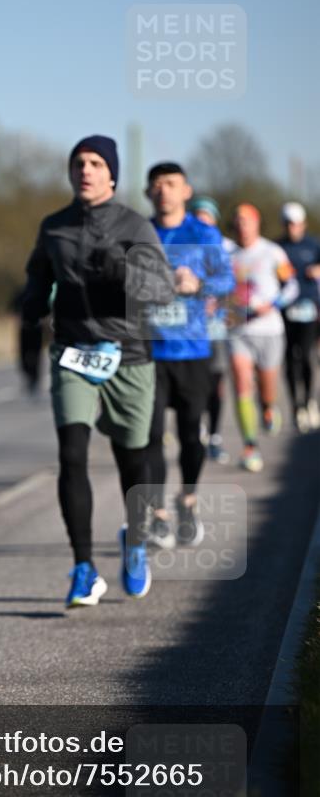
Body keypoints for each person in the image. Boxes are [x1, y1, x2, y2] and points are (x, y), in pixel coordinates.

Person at [21, 135, 176, 606]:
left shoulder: (135, 226)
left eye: (94, 163)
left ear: (112, 173)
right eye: (78, 163)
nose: (85, 170)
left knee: (135, 462)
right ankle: (84, 567)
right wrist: (29, 305)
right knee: (72, 454)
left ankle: (135, 539)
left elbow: (163, 288)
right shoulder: (55, 227)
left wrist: (123, 268)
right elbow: (37, 278)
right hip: (73, 353)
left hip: (129, 357)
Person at [145, 166, 235, 550]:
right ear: (149, 192)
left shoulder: (204, 234)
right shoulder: (139, 232)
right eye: (157, 185)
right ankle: (159, 516)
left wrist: (199, 284)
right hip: (148, 351)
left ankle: (188, 500)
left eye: (171, 184)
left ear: (186, 190)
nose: (164, 191)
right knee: (147, 436)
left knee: (189, 436)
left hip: (193, 349)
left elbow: (227, 280)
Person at [227, 203, 298, 472]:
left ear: (256, 223)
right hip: (238, 330)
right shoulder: (227, 253)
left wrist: (272, 304)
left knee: (267, 390)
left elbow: (290, 285)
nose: (242, 225)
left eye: (247, 220)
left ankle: (268, 408)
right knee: (241, 381)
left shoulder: (272, 252)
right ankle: (250, 446)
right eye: (238, 221)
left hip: (269, 329)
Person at [190, 196, 232, 464]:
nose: (203, 221)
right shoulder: (184, 247)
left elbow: (236, 285)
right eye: (198, 216)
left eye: (207, 217)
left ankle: (214, 436)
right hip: (190, 330)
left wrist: (216, 297)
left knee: (216, 384)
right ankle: (198, 434)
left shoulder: (226, 248)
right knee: (195, 387)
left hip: (216, 327)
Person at [277, 201, 320, 432]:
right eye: (288, 224)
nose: (292, 228)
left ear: (302, 224)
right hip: (286, 310)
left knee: (305, 356)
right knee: (289, 359)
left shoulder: (313, 245)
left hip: (310, 309)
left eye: (295, 224)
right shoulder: (278, 247)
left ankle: (309, 400)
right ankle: (296, 406)